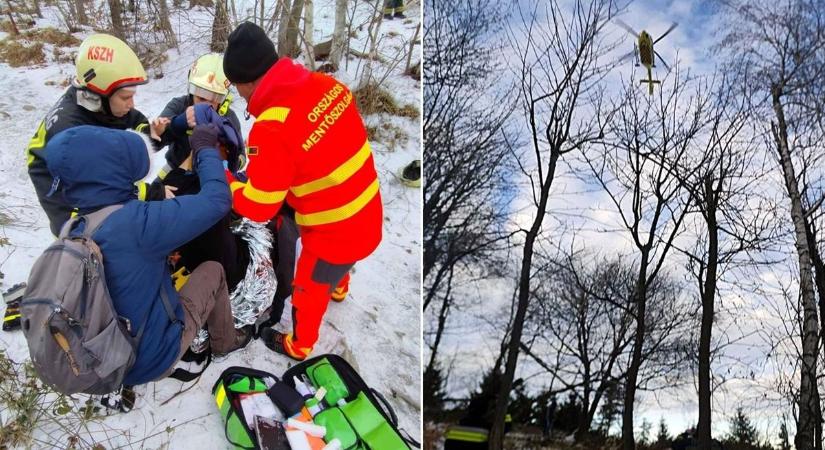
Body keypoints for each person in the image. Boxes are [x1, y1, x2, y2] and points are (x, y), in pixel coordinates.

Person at [221, 22, 383, 361]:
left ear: (249, 81)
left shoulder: (272, 126)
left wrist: (228, 181)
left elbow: (260, 207)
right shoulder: (328, 86)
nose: (241, 96)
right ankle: (339, 287)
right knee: (339, 269)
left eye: (238, 88)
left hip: (333, 238)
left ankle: (300, 344)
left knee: (309, 291)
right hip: (369, 213)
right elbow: (320, 154)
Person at [43, 124, 251, 385]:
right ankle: (226, 342)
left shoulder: (74, 225)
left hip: (98, 354)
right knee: (213, 270)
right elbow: (217, 201)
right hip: (145, 361)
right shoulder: (139, 224)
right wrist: (205, 148)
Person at [26, 33, 167, 236]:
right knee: (95, 241)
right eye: (126, 97)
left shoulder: (99, 104)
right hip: (64, 196)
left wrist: (149, 133)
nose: (132, 104)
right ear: (97, 94)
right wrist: (153, 192)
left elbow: (133, 121)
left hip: (83, 174)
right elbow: (105, 188)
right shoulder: (72, 131)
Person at [150, 53, 249, 290]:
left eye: (212, 99)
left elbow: (240, 158)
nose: (204, 104)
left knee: (215, 228)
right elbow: (152, 142)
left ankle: (218, 278)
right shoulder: (179, 106)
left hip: (209, 179)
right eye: (199, 96)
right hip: (176, 174)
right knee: (160, 220)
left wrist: (228, 154)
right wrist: (175, 125)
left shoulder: (228, 117)